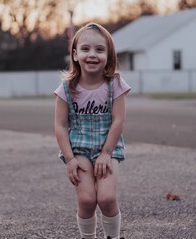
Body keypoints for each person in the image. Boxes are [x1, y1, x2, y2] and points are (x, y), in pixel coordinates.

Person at [54, 22, 131, 239]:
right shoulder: (67, 89)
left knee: (106, 198)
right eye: (86, 49)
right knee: (87, 200)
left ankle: (113, 237)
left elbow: (119, 121)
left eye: (100, 49)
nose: (92, 54)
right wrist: (70, 159)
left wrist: (106, 153)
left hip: (108, 148)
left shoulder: (114, 84)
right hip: (79, 149)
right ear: (75, 54)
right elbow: (60, 126)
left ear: (109, 55)